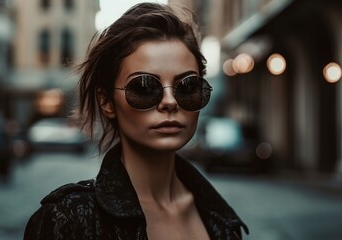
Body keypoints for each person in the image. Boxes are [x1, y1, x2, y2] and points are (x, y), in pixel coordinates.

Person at [24, 2, 248, 240]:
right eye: (144, 87)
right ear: (107, 101)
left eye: (188, 87)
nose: (170, 102)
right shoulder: (67, 221)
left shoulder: (221, 220)